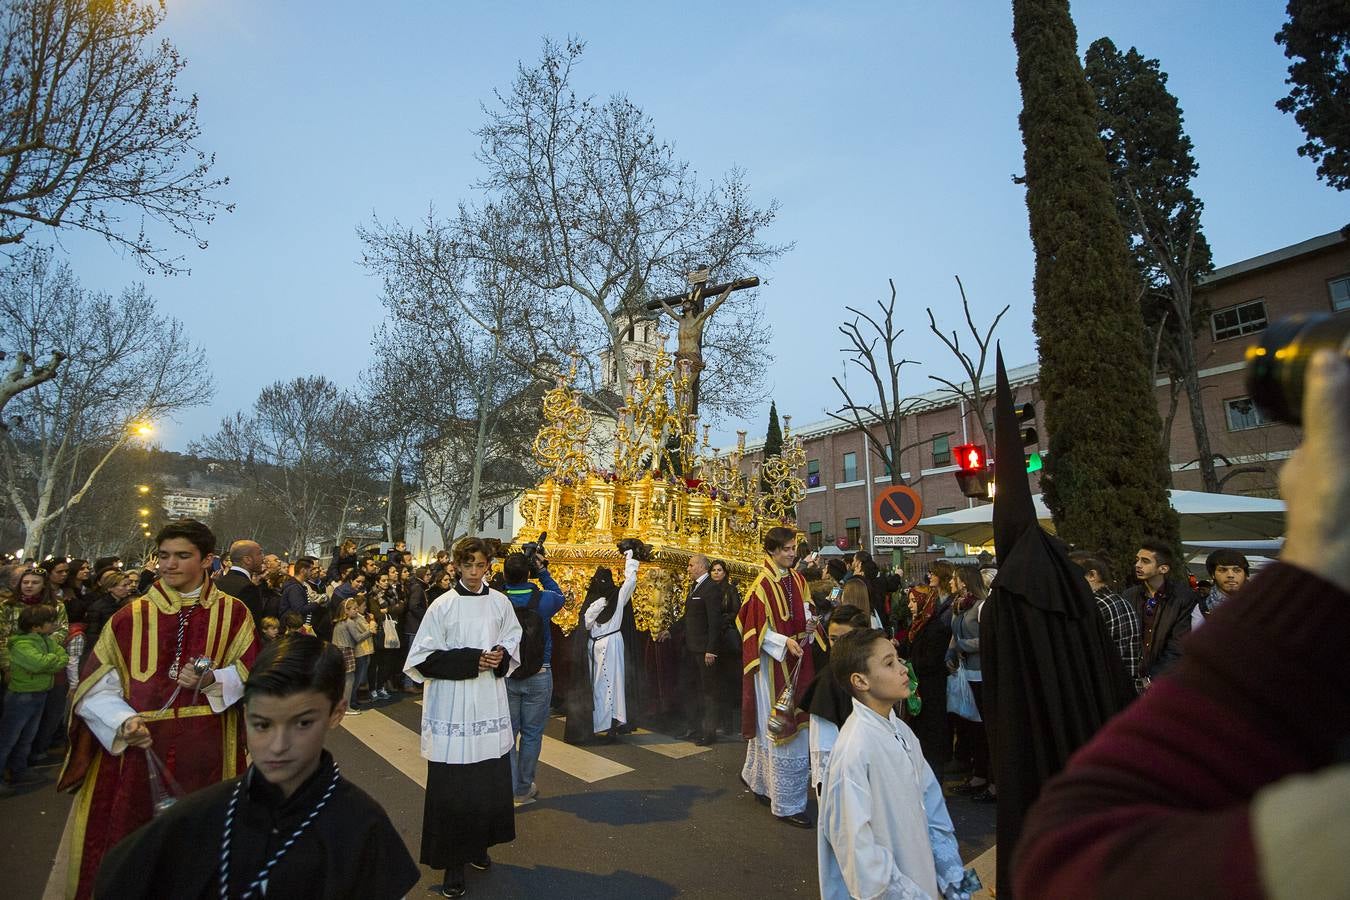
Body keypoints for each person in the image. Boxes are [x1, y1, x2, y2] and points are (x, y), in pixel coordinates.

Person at [1012, 350, 1350, 897]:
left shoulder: (1173, 602)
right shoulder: (1130, 598)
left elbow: (1073, 859)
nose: (1137, 567)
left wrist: (1317, 567)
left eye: (1146, 562)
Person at [95, 634, 420, 899]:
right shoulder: (193, 818)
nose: (278, 746)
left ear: (336, 713)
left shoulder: (362, 824)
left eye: (303, 723)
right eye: (261, 724)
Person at [57, 519, 259, 900]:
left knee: (203, 849)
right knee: (135, 848)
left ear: (207, 561)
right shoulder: (129, 617)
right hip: (137, 753)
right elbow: (95, 688)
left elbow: (251, 672)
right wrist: (123, 720)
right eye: (164, 556)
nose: (169, 565)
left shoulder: (234, 614)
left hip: (209, 751)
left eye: (182, 556)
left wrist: (213, 680)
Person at [404, 537, 521, 899]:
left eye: (480, 565)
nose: (474, 572)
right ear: (456, 566)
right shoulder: (443, 605)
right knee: (454, 789)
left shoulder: (500, 602)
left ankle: (478, 847)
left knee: (485, 784)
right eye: (467, 565)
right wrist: (473, 660)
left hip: (487, 703)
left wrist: (500, 655)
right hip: (453, 705)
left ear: (489, 566)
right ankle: (453, 865)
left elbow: (513, 639)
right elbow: (422, 660)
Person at [818, 628, 969, 900]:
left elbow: (932, 805)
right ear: (860, 681)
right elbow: (859, 855)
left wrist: (954, 879)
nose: (903, 669)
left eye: (898, 659)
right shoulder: (855, 749)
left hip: (923, 875)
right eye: (889, 663)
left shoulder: (901, 730)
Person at [737, 526, 819, 829]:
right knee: (781, 728)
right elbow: (753, 629)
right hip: (772, 667)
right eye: (785, 548)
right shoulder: (761, 585)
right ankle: (786, 804)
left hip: (799, 660)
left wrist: (811, 624)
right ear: (771, 551)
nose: (791, 552)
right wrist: (783, 642)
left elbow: (807, 609)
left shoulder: (798, 578)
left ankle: (760, 782)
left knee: (784, 726)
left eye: (792, 547)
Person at [501, 551, 566, 806]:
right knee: (531, 735)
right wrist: (543, 572)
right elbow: (561, 596)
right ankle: (523, 787)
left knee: (508, 733)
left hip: (506, 674)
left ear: (505, 574)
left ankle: (507, 785)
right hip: (540, 673)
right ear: (529, 573)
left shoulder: (498, 600)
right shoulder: (544, 599)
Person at [800, 604, 871, 797]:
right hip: (847, 789)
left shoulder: (871, 671)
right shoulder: (827, 683)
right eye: (833, 639)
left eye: (846, 639)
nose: (839, 646)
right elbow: (824, 753)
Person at [0, 604, 67, 797]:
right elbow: (39, 664)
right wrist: (52, 660)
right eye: (50, 622)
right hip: (22, 696)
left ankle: (19, 770)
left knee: (27, 736)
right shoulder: (21, 644)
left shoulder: (45, 640)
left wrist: (51, 660)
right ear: (36, 626)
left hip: (39, 692)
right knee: (8, 738)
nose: (54, 625)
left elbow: (62, 656)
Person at [946, 563, 993, 801]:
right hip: (965, 672)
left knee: (984, 727)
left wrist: (963, 646)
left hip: (981, 673)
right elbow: (956, 634)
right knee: (971, 728)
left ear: (965, 581)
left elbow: (986, 639)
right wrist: (951, 651)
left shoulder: (981, 606)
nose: (951, 582)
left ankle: (990, 779)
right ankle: (978, 774)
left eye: (955, 578)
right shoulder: (959, 606)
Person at [584, 550, 640, 741]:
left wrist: (630, 560)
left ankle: (611, 723)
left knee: (611, 684)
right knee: (598, 685)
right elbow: (586, 622)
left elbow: (630, 582)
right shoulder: (597, 600)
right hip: (597, 645)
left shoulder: (616, 596)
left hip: (611, 643)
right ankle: (599, 722)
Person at [1122, 540, 1195, 689]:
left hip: (1166, 681)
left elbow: (1178, 645)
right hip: (1133, 678)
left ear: (1163, 568)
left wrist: (1153, 679)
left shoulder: (1182, 597)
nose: (1138, 565)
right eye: (1137, 560)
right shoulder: (1130, 595)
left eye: (1145, 561)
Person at [1070, 551, 1145, 695]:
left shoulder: (1094, 606)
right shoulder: (1120, 601)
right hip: (1127, 690)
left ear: (1092, 575)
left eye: (1071, 574)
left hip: (1109, 691)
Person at [899, 581, 953, 774]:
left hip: (931, 691)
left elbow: (931, 660)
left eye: (914, 601)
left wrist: (906, 663)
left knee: (932, 738)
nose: (910, 605)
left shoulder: (935, 628)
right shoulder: (918, 624)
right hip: (920, 689)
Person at [678, 554, 724, 746]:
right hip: (690, 647)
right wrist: (669, 631)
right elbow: (688, 617)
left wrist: (711, 649)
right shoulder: (695, 587)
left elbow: (715, 622)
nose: (688, 568)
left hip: (704, 650)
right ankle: (693, 727)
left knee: (708, 691)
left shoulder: (711, 588)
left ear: (701, 567)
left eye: (690, 565)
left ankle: (709, 731)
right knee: (690, 688)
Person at [331, 596, 376, 713]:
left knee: (342, 680)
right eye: (354, 609)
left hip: (337, 650)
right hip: (346, 650)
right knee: (349, 680)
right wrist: (370, 631)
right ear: (346, 610)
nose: (356, 611)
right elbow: (357, 638)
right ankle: (347, 707)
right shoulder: (349, 622)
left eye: (357, 608)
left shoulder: (339, 621)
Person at [1191, 548, 1249, 631]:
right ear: (1213, 575)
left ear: (1245, 574)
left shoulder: (1264, 603)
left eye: (1237, 570)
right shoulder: (1203, 608)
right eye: (1222, 570)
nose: (1230, 575)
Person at [215, 540, 266, 627]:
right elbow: (251, 626)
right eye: (259, 554)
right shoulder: (248, 589)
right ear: (247, 560)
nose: (263, 558)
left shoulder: (218, 582)